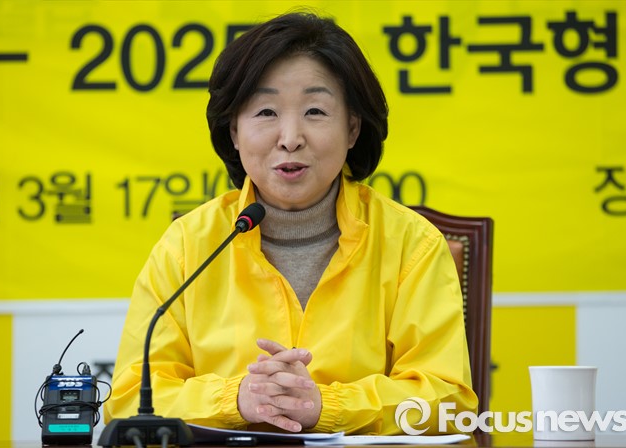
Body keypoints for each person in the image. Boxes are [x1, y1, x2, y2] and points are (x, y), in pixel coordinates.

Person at [104, 11, 477, 435]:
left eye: (315, 111)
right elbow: (130, 400)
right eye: (266, 112)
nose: (290, 138)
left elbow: (448, 400)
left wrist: (326, 406)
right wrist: (237, 399)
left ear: (352, 128)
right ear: (234, 132)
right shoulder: (187, 246)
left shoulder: (412, 244)